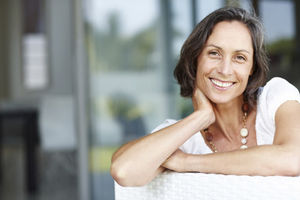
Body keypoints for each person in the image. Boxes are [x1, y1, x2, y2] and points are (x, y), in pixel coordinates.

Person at [110, 7, 300, 187]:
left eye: (239, 57)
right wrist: (201, 117)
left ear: (252, 68)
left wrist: (188, 163)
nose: (225, 70)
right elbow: (124, 171)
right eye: (214, 53)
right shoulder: (181, 137)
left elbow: (293, 159)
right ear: (195, 59)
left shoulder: (275, 99)